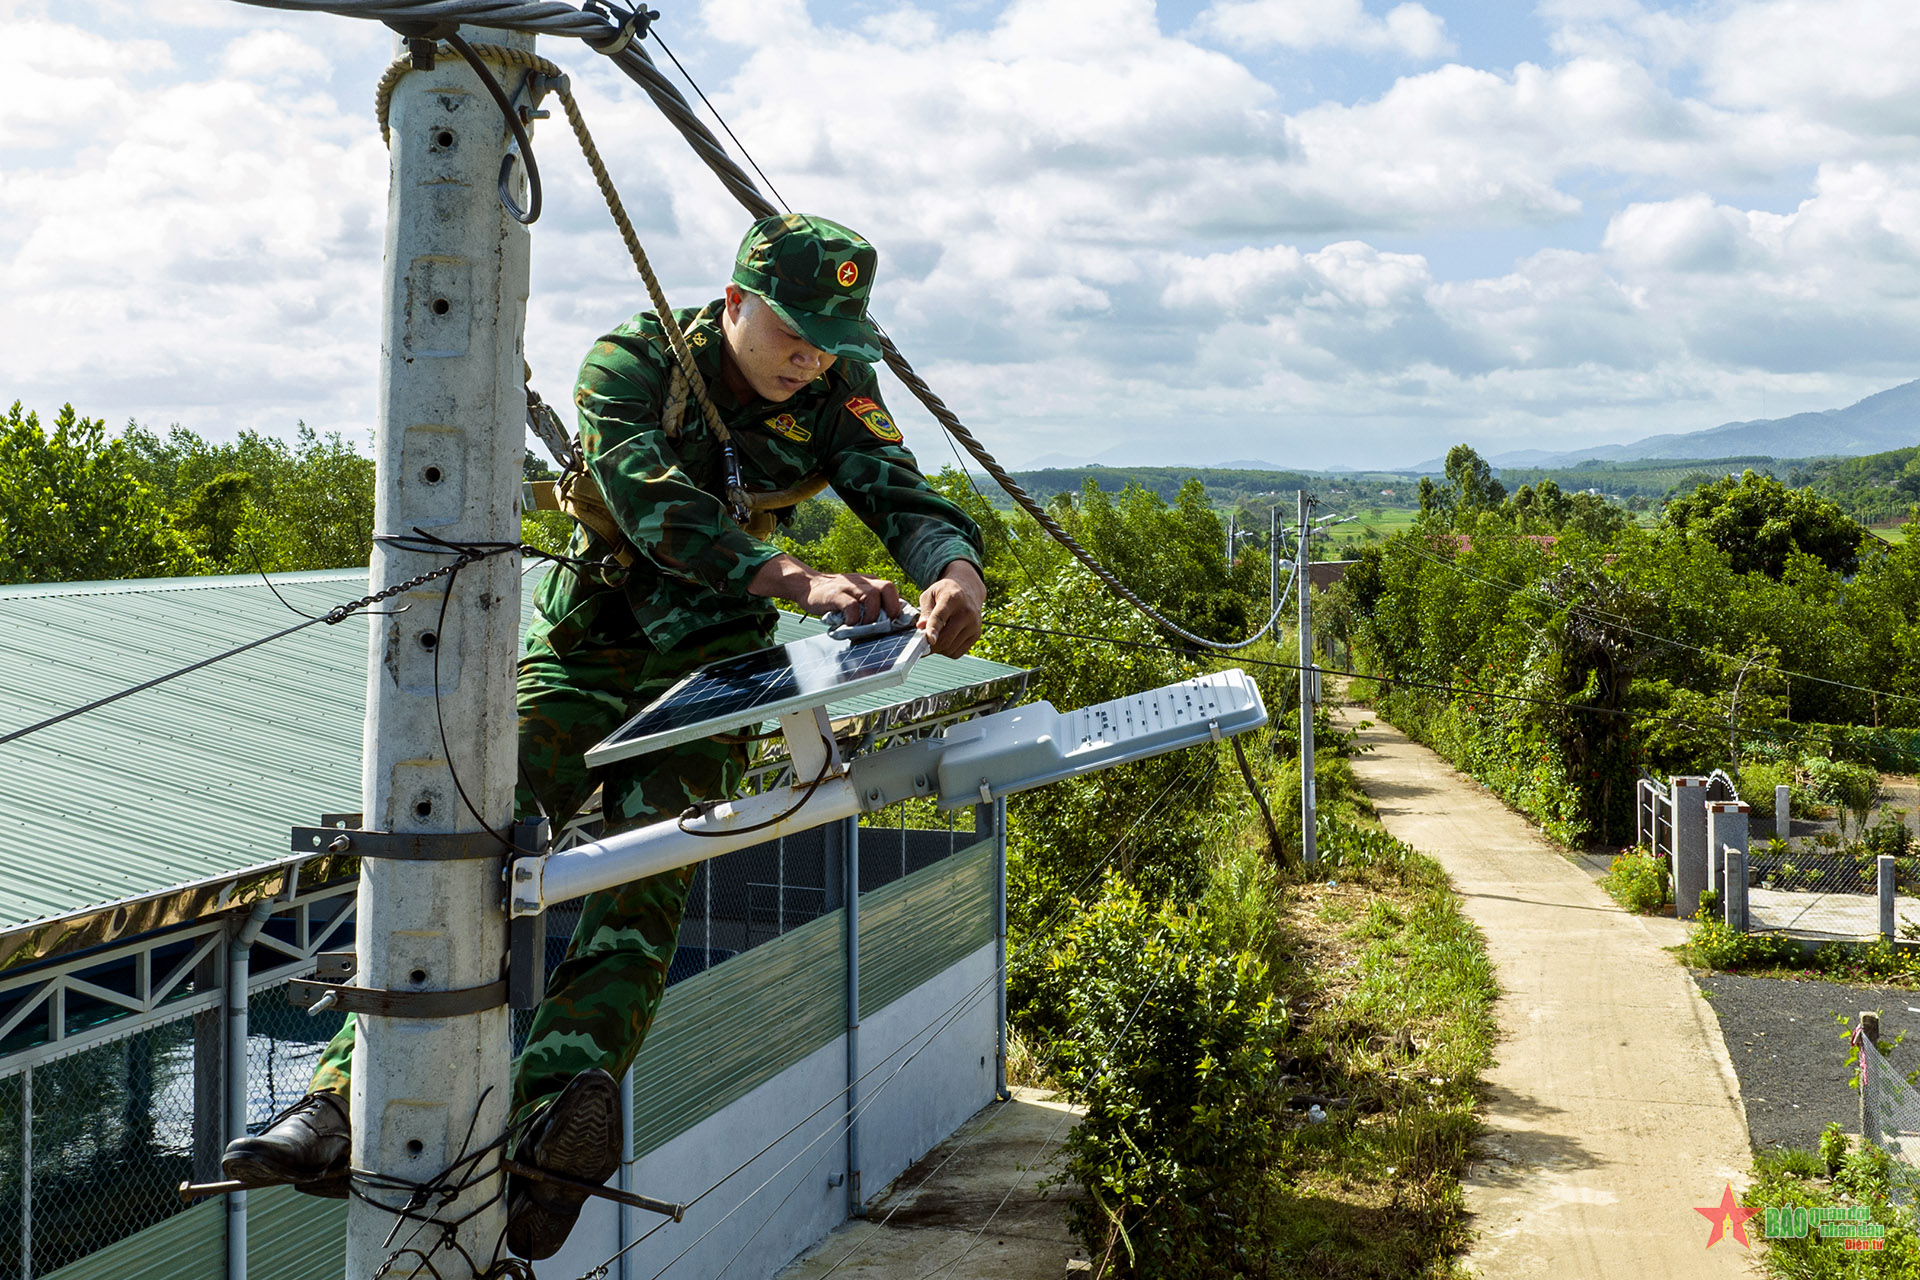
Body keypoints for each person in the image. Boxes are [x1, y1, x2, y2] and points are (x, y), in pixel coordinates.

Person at [221, 214, 989, 1260]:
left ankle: (545, 1143)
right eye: (792, 334)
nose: (808, 357)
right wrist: (803, 580)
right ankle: (342, 1101)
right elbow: (650, 499)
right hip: (592, 641)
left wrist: (956, 572)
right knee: (457, 832)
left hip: (712, 661)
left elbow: (905, 496)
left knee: (646, 883)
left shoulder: (834, 394)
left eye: (826, 341)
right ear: (732, 304)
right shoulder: (635, 363)